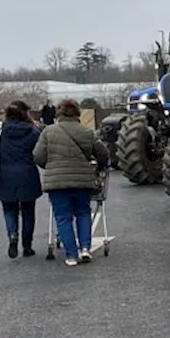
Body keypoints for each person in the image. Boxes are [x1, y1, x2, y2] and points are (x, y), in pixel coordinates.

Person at [33, 99, 108, 266]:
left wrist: (50, 167)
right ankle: (85, 249)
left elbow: (38, 156)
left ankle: (71, 255)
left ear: (58, 113)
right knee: (83, 213)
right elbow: (103, 153)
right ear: (77, 113)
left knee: (63, 218)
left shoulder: (48, 132)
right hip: (82, 181)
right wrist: (98, 169)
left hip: (57, 183)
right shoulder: (87, 132)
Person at [0, 100, 43, 258]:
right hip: (28, 174)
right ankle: (27, 246)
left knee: (9, 209)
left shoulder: (0, 131)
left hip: (5, 176)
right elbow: (40, 152)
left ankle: (12, 235)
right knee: (28, 211)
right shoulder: (33, 131)